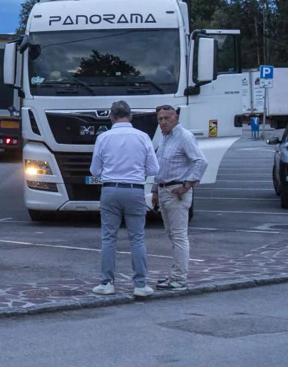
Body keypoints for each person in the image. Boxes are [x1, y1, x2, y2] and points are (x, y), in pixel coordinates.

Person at [89, 100, 159, 298]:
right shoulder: (143, 137)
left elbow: (95, 170)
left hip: (110, 189)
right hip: (135, 189)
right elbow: (154, 169)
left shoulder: (103, 138)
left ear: (111, 117)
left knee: (108, 237)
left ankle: (107, 282)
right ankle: (140, 284)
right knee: (137, 238)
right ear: (131, 116)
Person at [151, 105, 208, 291]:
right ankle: (174, 275)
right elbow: (160, 166)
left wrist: (187, 185)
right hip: (164, 189)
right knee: (172, 235)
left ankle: (180, 278)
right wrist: (155, 190)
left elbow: (200, 161)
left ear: (175, 118)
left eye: (167, 118)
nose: (163, 122)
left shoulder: (184, 136)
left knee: (179, 236)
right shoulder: (165, 138)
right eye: (160, 118)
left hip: (176, 191)